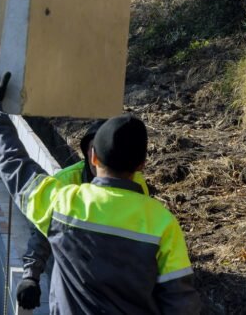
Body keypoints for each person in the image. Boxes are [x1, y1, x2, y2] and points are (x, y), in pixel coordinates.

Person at [0, 69, 200, 314]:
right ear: (142, 164)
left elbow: (13, 162)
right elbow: (181, 303)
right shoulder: (164, 224)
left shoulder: (65, 203)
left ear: (92, 156)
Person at [16, 121, 152, 310]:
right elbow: (42, 233)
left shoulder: (136, 185)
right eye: (92, 149)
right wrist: (31, 276)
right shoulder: (65, 182)